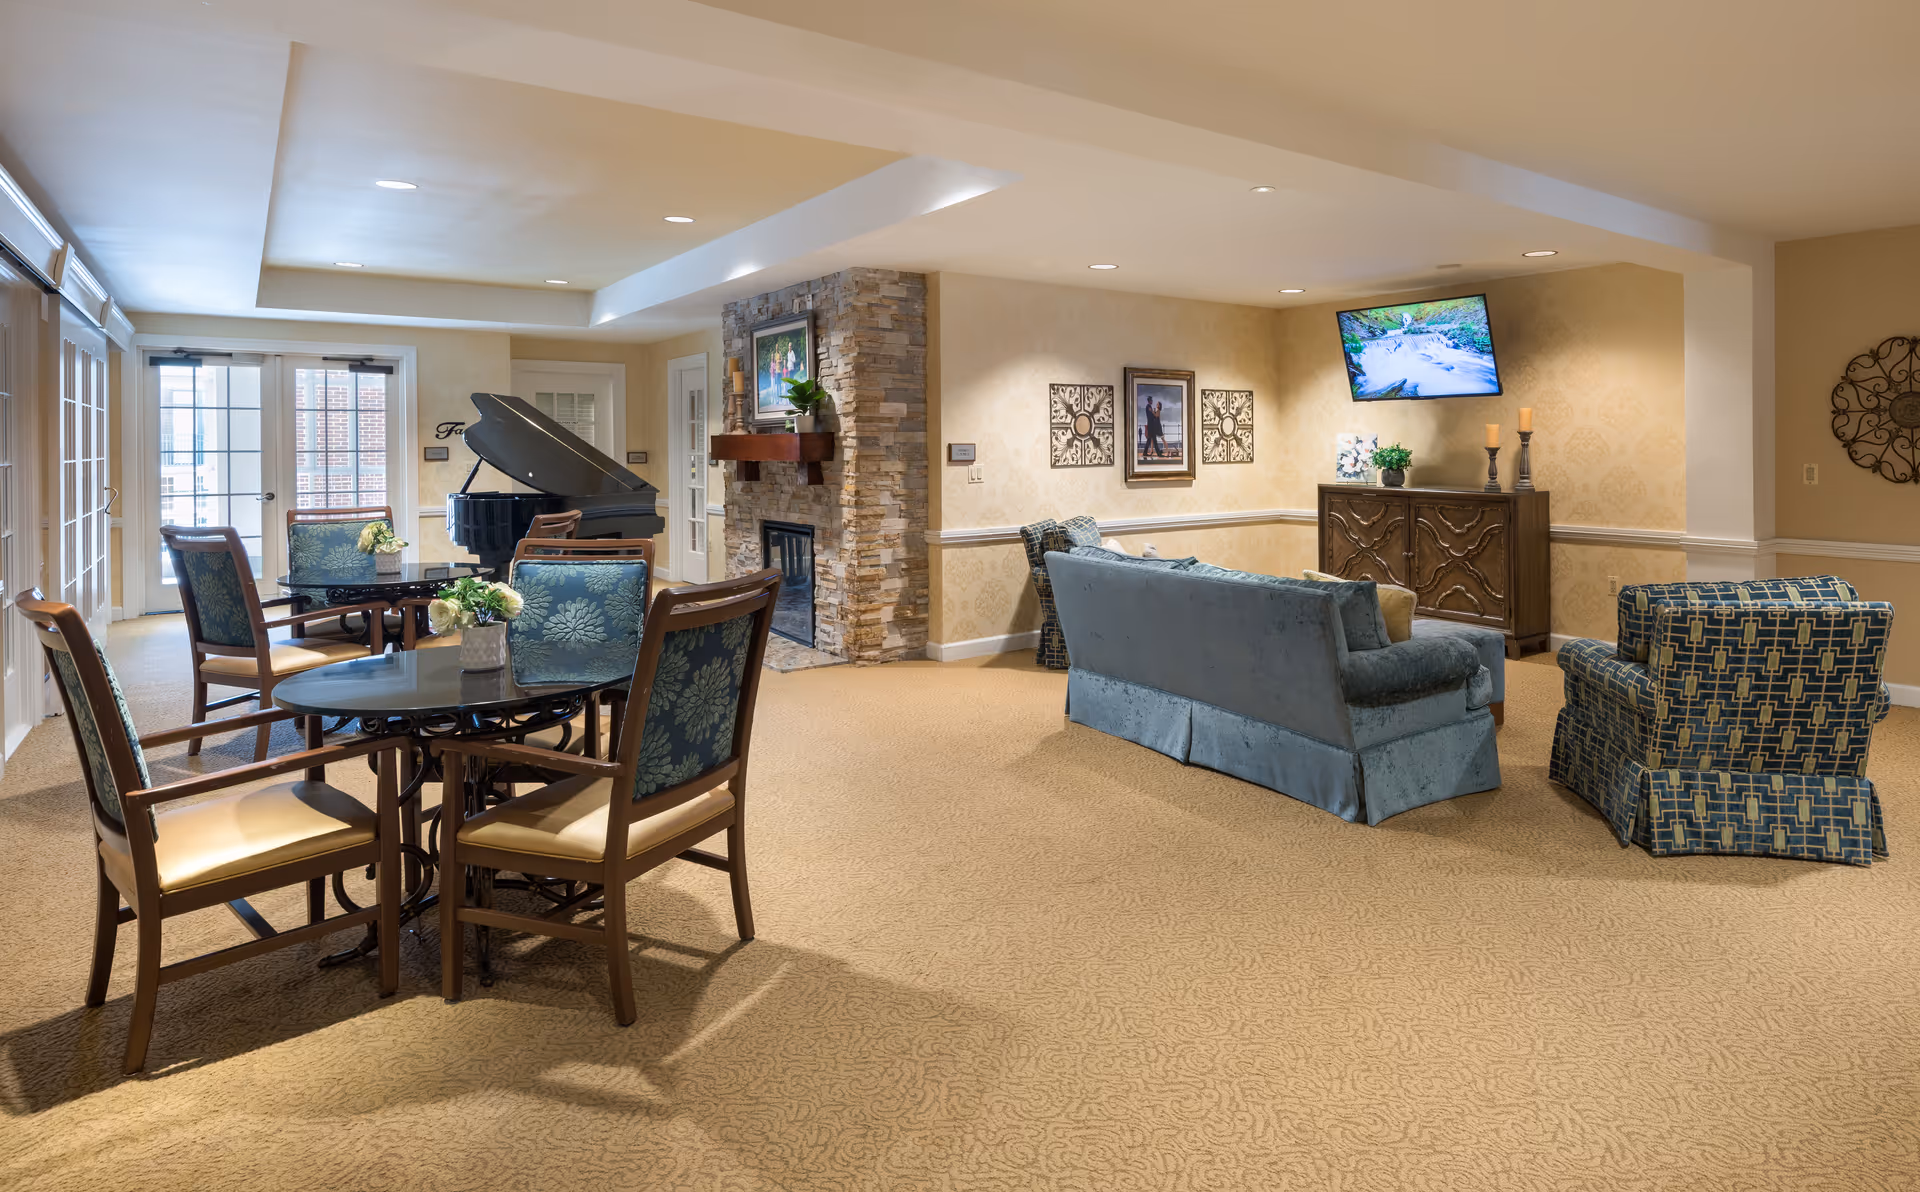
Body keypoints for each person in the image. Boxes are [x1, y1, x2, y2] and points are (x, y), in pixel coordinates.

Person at [1144, 395, 1166, 460]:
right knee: (1154, 440)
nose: (1152, 401)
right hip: (1151, 426)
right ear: (1149, 401)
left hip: (1151, 426)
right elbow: (1151, 417)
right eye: (1151, 400)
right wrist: (1153, 413)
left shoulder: (1149, 407)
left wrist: (1153, 413)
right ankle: (1158, 453)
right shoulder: (1148, 407)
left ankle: (1145, 452)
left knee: (1149, 440)